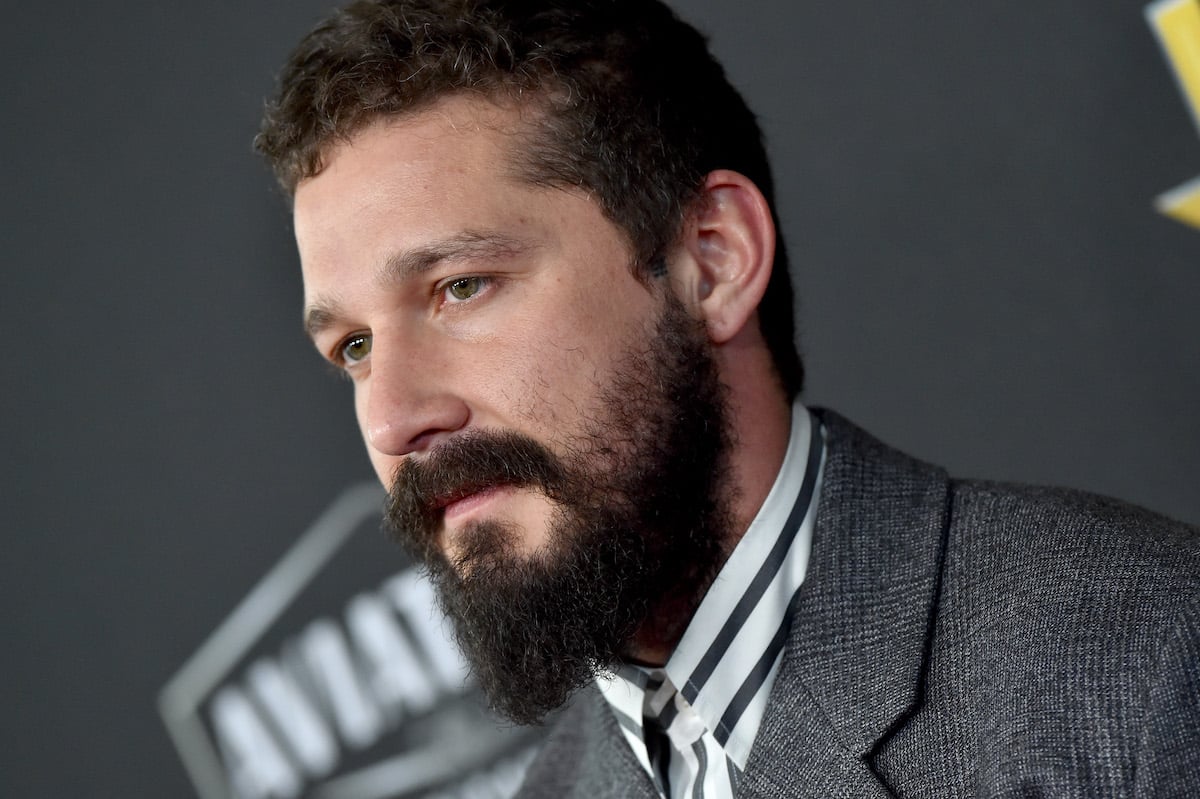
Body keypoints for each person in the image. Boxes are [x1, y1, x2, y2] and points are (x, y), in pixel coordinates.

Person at [255, 1, 1200, 795]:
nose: (391, 418)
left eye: (460, 287)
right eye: (355, 347)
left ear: (711, 261)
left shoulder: (1136, 661)